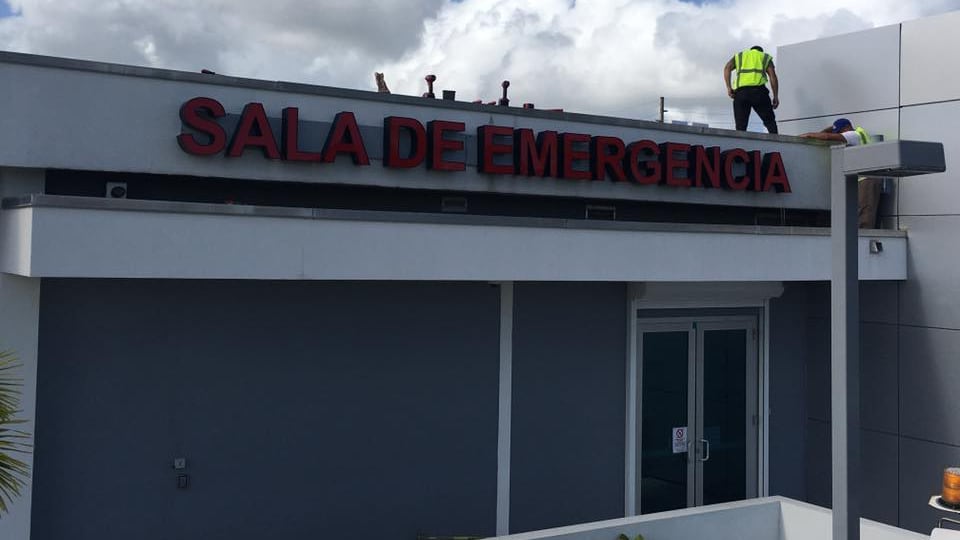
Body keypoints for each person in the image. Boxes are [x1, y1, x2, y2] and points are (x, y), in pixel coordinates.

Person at [800, 118, 881, 228]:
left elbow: (827, 137)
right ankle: (860, 234)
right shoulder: (859, 135)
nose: (838, 135)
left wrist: (808, 135)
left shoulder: (853, 134)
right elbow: (826, 134)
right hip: (864, 178)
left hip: (866, 178)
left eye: (839, 132)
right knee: (862, 209)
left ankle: (863, 238)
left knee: (865, 211)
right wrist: (831, 128)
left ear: (847, 127)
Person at [723, 46, 779, 133]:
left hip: (741, 93)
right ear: (760, 51)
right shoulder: (764, 56)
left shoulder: (740, 56)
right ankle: (776, 144)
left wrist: (729, 87)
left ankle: (740, 145)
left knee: (740, 126)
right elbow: (773, 76)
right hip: (759, 92)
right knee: (770, 122)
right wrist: (775, 96)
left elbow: (727, 68)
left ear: (751, 50)